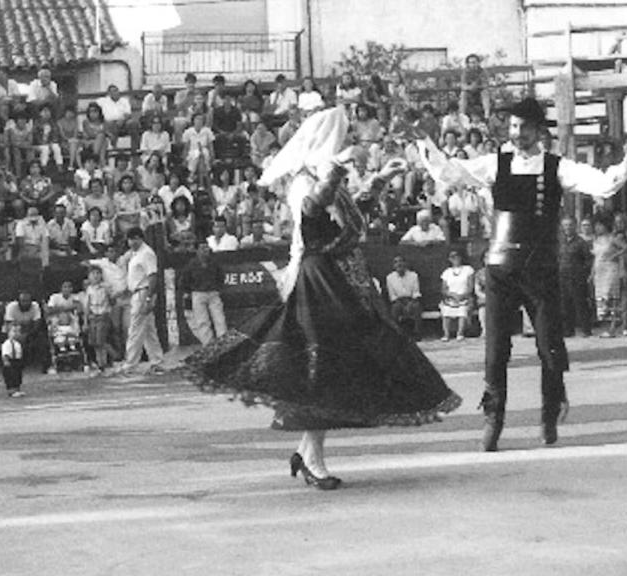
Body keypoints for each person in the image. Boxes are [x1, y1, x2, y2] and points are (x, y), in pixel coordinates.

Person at [184, 108, 460, 490]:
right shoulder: (304, 181)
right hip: (320, 280)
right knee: (324, 366)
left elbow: (348, 214)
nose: (346, 144)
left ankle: (307, 453)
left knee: (334, 367)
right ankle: (311, 458)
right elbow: (313, 211)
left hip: (339, 278)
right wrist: (336, 170)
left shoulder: (324, 177)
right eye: (341, 139)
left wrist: (380, 179)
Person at [421, 97, 627, 450]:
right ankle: (492, 420)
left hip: (541, 270)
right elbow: (451, 173)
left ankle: (549, 414)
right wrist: (425, 144)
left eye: (524, 128)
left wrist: (624, 168)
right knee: (495, 350)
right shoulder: (495, 164)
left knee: (549, 347)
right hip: (500, 269)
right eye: (513, 127)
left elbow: (600, 184)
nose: (518, 134)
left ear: (538, 131)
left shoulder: (557, 167)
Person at [118, 227, 164, 375]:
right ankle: (157, 361)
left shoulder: (147, 253)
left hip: (143, 292)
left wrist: (149, 298)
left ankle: (130, 364)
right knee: (149, 330)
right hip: (136, 292)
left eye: (134, 239)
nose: (131, 242)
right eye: (129, 239)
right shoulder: (135, 254)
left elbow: (152, 277)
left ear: (140, 238)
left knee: (135, 329)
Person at [180, 242, 226, 348]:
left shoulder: (214, 262)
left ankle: (223, 344)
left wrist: (218, 289)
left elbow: (221, 276)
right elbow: (184, 280)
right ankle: (208, 345)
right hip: (198, 294)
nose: (205, 250)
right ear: (197, 251)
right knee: (202, 321)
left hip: (213, 293)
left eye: (206, 247)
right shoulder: (191, 264)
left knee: (219, 319)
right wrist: (188, 292)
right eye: (202, 248)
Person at [592, 217, 627, 338]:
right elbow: (595, 257)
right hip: (599, 270)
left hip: (610, 269)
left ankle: (613, 326)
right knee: (601, 298)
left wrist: (615, 255)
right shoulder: (596, 240)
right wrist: (592, 273)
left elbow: (625, 247)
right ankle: (606, 324)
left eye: (600, 225)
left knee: (611, 296)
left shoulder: (612, 238)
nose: (597, 228)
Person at [558, 216, 593, 338]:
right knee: (565, 304)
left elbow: (588, 260)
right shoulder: (560, 242)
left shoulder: (580, 242)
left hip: (577, 277)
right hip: (562, 276)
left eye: (570, 225)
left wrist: (583, 273)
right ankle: (568, 330)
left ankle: (586, 329)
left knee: (580, 303)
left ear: (575, 226)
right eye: (565, 225)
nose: (567, 227)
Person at [439, 250, 475, 342]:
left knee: (462, 310)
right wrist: (452, 294)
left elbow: (470, 286)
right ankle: (446, 334)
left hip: (465, 296)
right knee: (446, 310)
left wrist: (462, 295)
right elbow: (444, 289)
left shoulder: (468, 269)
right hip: (451, 297)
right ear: (449, 259)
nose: (455, 259)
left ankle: (460, 333)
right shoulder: (447, 272)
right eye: (452, 257)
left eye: (457, 256)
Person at [85, 265, 115, 372]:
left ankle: (114, 357)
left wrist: (109, 294)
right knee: (94, 342)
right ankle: (100, 364)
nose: (96, 276)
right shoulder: (89, 289)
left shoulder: (106, 287)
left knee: (101, 340)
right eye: (93, 274)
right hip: (93, 316)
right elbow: (87, 305)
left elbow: (112, 302)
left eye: (98, 273)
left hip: (103, 315)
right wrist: (85, 321)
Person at [385, 255, 422, 339]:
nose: (399, 264)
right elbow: (392, 295)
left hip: (411, 300)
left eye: (401, 261)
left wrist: (410, 303)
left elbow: (416, 292)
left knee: (417, 307)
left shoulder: (413, 275)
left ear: (405, 263)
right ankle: (397, 334)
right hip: (398, 301)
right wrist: (401, 304)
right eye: (396, 262)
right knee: (395, 309)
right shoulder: (390, 278)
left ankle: (417, 333)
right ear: (393, 266)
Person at [1, 324, 26, 398]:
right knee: (10, 376)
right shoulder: (6, 344)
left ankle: (17, 389)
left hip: (17, 361)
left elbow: (19, 353)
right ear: (8, 333)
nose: (16, 333)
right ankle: (11, 391)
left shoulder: (17, 344)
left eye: (18, 331)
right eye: (14, 331)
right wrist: (6, 361)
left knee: (18, 376)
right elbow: (5, 353)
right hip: (10, 361)